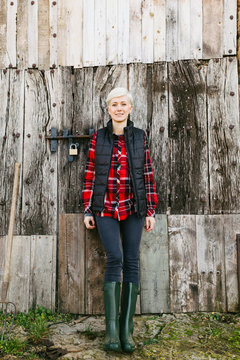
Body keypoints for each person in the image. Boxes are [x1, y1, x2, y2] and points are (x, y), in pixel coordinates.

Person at [81, 87, 158, 353]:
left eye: (123, 104)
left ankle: (127, 329)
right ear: (108, 109)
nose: (119, 108)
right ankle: (111, 330)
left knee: (132, 260)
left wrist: (150, 211)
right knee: (115, 258)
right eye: (114, 104)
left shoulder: (139, 137)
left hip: (133, 208)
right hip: (105, 208)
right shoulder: (98, 138)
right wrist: (88, 209)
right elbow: (90, 174)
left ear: (130, 108)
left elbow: (147, 173)